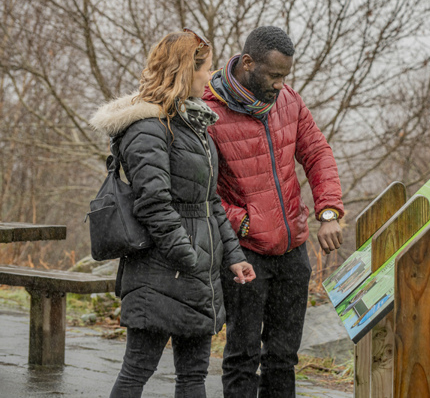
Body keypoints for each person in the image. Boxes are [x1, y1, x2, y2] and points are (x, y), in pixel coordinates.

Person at [89, 29, 256, 398]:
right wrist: (187, 254)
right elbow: (153, 203)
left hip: (197, 271)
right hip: (159, 271)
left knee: (193, 376)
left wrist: (233, 257)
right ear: (184, 71)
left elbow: (209, 201)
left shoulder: (194, 125)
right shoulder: (147, 127)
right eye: (205, 70)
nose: (210, 78)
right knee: (137, 372)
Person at [203, 26, 344, 398]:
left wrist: (328, 212)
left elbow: (318, 154)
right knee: (243, 356)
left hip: (292, 252)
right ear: (248, 63)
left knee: (283, 357)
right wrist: (245, 222)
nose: (281, 84)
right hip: (244, 253)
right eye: (275, 75)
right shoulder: (208, 113)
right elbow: (202, 193)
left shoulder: (289, 102)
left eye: (286, 76)